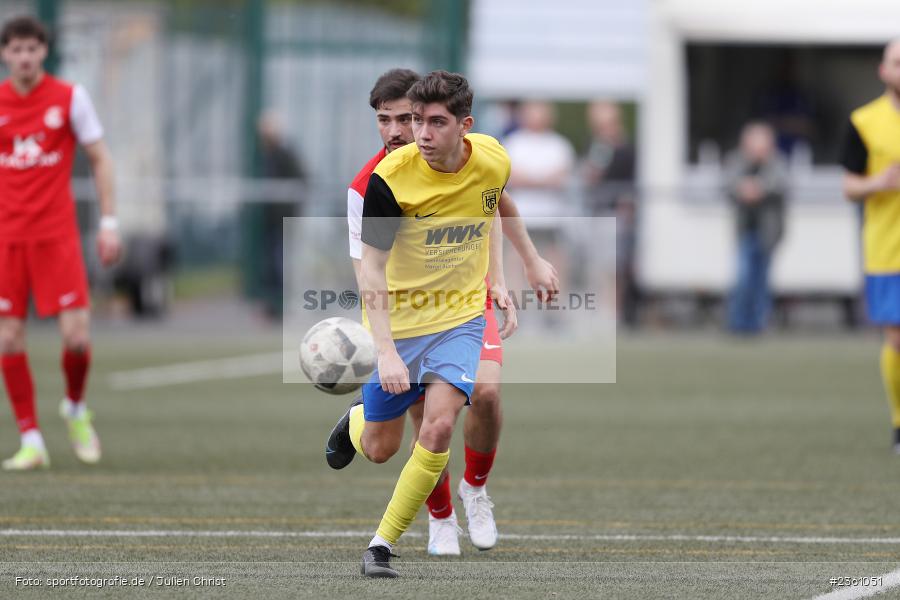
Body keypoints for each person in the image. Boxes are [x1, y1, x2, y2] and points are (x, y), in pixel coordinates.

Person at [338, 69, 559, 558]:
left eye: (419, 120)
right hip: (403, 312)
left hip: (462, 305)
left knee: (479, 396)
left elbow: (493, 204)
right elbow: (369, 271)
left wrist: (519, 267)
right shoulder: (376, 186)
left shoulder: (489, 157)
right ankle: (437, 515)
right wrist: (386, 348)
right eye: (395, 121)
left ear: (463, 125)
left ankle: (471, 493)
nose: (409, 133)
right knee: (383, 446)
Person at [0, 16, 121, 470]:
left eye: (32, 48)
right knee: (9, 339)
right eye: (16, 49)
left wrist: (108, 222)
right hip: (7, 239)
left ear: (43, 52)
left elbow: (100, 159)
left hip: (57, 237)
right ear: (5, 54)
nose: (25, 57)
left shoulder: (70, 98)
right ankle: (31, 439)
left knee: (76, 337)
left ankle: (73, 407)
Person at [840, 39, 900, 453]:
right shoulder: (864, 121)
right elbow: (847, 186)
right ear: (883, 70)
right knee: (897, 340)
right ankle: (899, 420)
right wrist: (876, 183)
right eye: (898, 62)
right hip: (888, 247)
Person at [723, 122, 788, 335]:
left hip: (768, 232)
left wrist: (760, 188)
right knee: (743, 277)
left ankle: (758, 324)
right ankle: (738, 323)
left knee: (762, 279)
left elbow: (782, 184)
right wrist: (742, 188)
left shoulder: (777, 162)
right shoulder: (737, 161)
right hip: (745, 230)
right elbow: (727, 184)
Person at [584, 101, 638, 326]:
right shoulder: (599, 147)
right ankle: (601, 310)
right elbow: (591, 176)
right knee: (599, 265)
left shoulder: (626, 149)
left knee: (615, 266)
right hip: (598, 213)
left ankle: (614, 312)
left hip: (616, 215)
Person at [256, 110, 305, 320]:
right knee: (271, 263)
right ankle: (272, 306)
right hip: (269, 220)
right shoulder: (264, 156)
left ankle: (283, 306)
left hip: (284, 220)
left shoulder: (285, 155)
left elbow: (300, 181)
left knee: (281, 262)